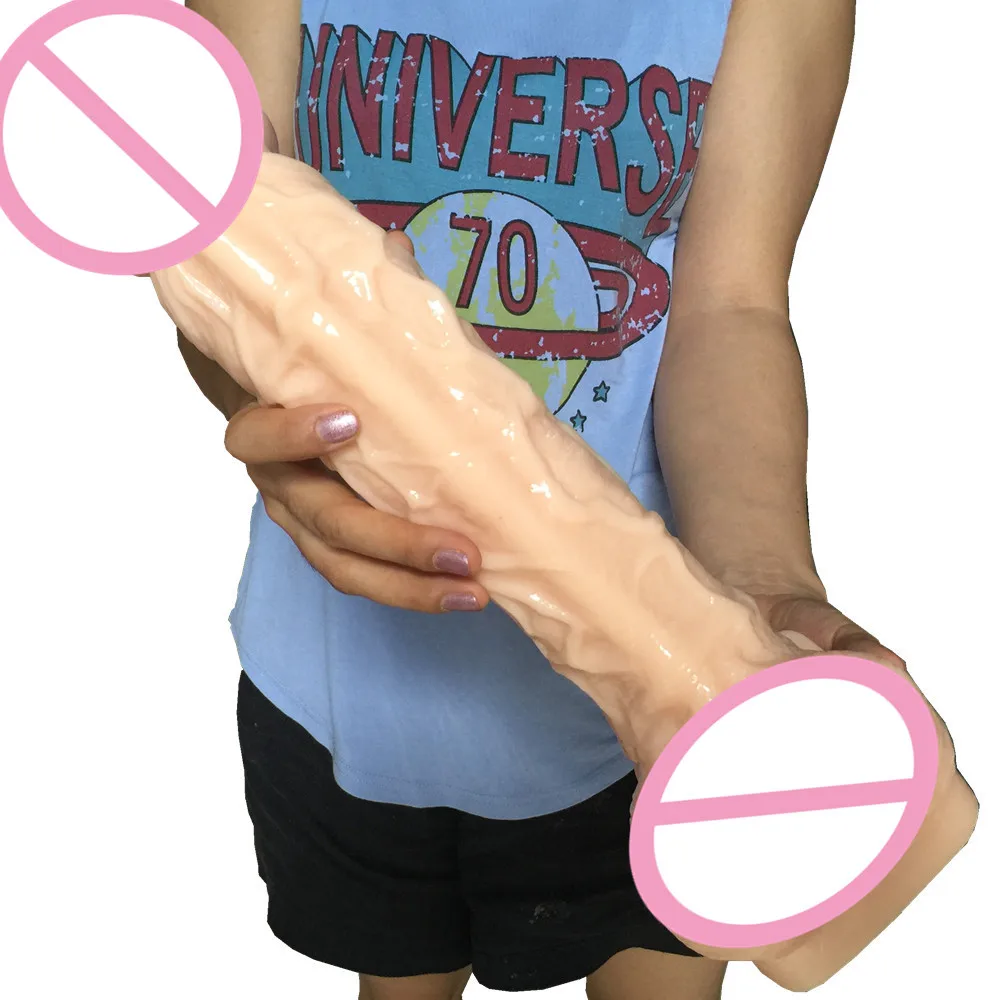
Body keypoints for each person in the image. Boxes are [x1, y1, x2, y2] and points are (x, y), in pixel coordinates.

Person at [180, 1, 903, 997]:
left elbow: (728, 305)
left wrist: (761, 583)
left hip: (659, 686)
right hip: (340, 666)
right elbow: (222, 261)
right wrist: (273, 418)